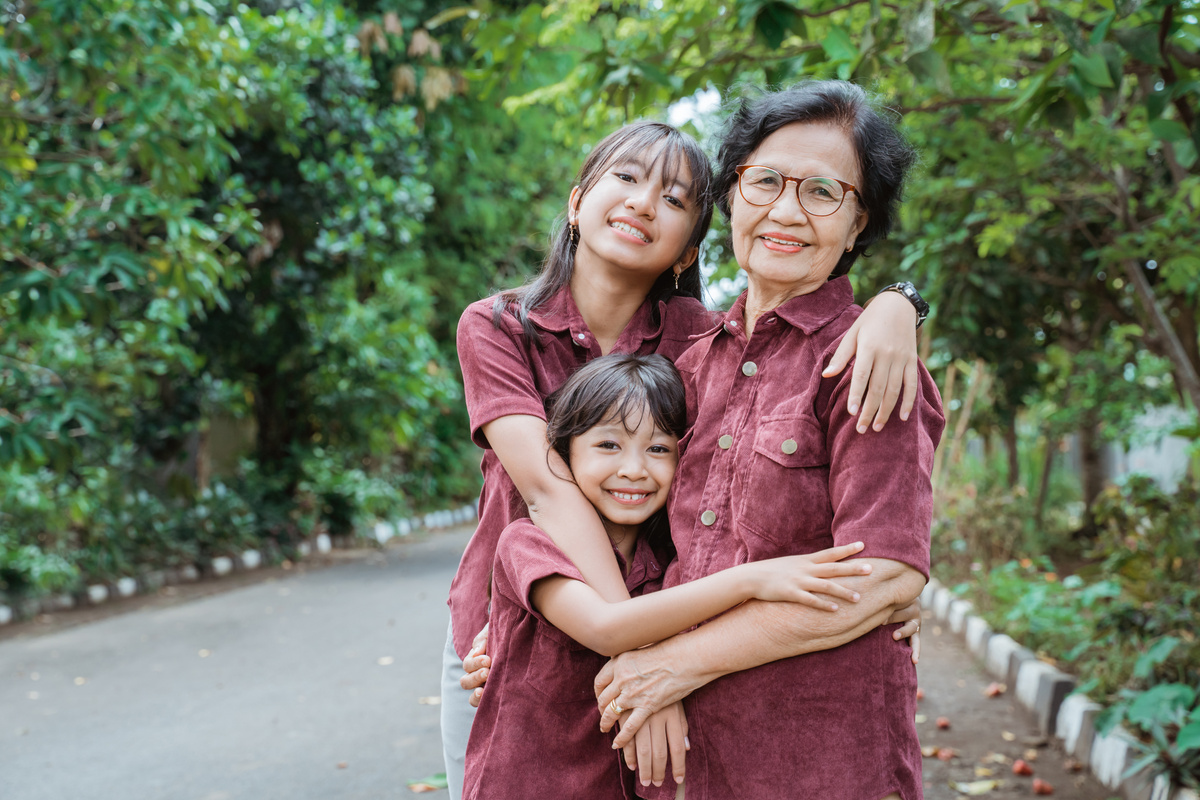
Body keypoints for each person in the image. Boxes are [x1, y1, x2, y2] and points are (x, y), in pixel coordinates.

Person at [445, 119, 926, 800]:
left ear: (688, 251)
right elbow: (549, 494)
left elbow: (867, 560)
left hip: (662, 650)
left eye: (674, 199)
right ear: (577, 202)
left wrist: (897, 305)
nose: (644, 204)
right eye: (627, 179)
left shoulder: (702, 346)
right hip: (519, 629)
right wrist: (647, 656)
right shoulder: (500, 325)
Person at [591, 81, 944, 800]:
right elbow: (631, 536)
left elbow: (885, 576)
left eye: (823, 192)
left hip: (819, 760)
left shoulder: (866, 362)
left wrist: (679, 661)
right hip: (687, 758)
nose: (786, 211)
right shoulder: (686, 364)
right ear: (731, 196)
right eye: (766, 182)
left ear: (857, 225)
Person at [462, 353, 874, 799]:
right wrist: (753, 579)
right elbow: (606, 629)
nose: (634, 470)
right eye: (608, 445)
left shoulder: (671, 563)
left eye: (659, 449)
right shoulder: (527, 543)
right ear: (564, 453)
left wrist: (890, 596)